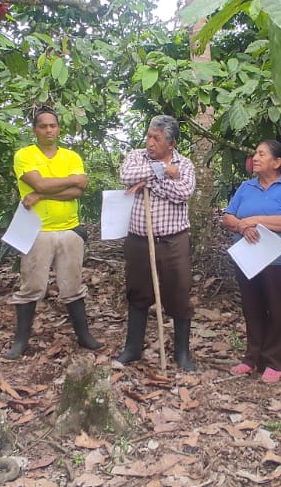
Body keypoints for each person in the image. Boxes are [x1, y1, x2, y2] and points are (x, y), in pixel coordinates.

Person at [4, 107, 102, 359]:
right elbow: (40, 182)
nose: (48, 130)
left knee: (73, 285)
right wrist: (64, 182)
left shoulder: (71, 157)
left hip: (69, 229)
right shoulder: (25, 155)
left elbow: (78, 191)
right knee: (31, 286)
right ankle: (21, 341)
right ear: (35, 130)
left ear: (59, 128)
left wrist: (41, 194)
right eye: (43, 126)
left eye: (53, 125)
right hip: (37, 230)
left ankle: (84, 336)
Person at [114, 115, 197, 371]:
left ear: (171, 143)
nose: (150, 142)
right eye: (149, 136)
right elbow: (126, 175)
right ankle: (133, 348)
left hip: (174, 241)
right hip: (139, 240)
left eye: (157, 138)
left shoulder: (185, 164)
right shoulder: (136, 156)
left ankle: (182, 354)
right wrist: (162, 171)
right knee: (138, 292)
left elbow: (183, 192)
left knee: (179, 292)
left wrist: (147, 183)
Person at [222, 140, 281, 383]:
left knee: (278, 310)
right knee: (252, 308)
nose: (255, 158)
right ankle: (252, 358)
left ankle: (275, 361)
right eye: (255, 153)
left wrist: (255, 220)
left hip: (278, 261)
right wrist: (242, 226)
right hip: (248, 258)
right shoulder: (246, 187)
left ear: (277, 162)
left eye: (261, 154)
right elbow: (228, 217)